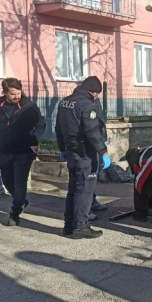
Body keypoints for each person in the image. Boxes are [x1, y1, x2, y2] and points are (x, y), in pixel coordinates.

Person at [0, 78, 45, 226]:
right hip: (5, 150)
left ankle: (15, 213)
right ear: (5, 92)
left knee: (20, 182)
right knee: (7, 181)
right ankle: (21, 201)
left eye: (18, 93)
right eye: (12, 94)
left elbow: (40, 124)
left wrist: (34, 140)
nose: (16, 96)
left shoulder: (28, 106)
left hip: (24, 150)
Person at [55, 76, 111, 239]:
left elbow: (58, 127)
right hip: (85, 153)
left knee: (73, 189)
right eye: (97, 94)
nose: (97, 97)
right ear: (93, 92)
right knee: (85, 191)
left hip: (71, 152)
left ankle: (69, 225)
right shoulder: (88, 106)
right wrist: (104, 152)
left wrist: (62, 148)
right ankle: (81, 226)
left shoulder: (65, 102)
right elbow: (92, 132)